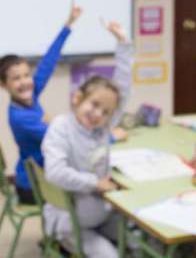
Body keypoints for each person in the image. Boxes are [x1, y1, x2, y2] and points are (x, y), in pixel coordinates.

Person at [40, 19, 133, 258]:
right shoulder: (61, 127)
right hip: (70, 224)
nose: (98, 114)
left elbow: (122, 92)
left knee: (140, 242)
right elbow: (55, 172)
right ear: (77, 98)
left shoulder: (102, 127)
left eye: (106, 112)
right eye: (94, 104)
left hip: (100, 216)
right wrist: (95, 183)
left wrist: (123, 43)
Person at [0, 1, 82, 205]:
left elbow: (47, 63)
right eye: (16, 78)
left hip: (41, 176)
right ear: (4, 85)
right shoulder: (20, 117)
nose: (25, 82)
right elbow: (61, 139)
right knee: (88, 194)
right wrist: (55, 122)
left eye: (27, 75)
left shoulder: (29, 97)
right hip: (33, 186)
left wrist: (68, 25)